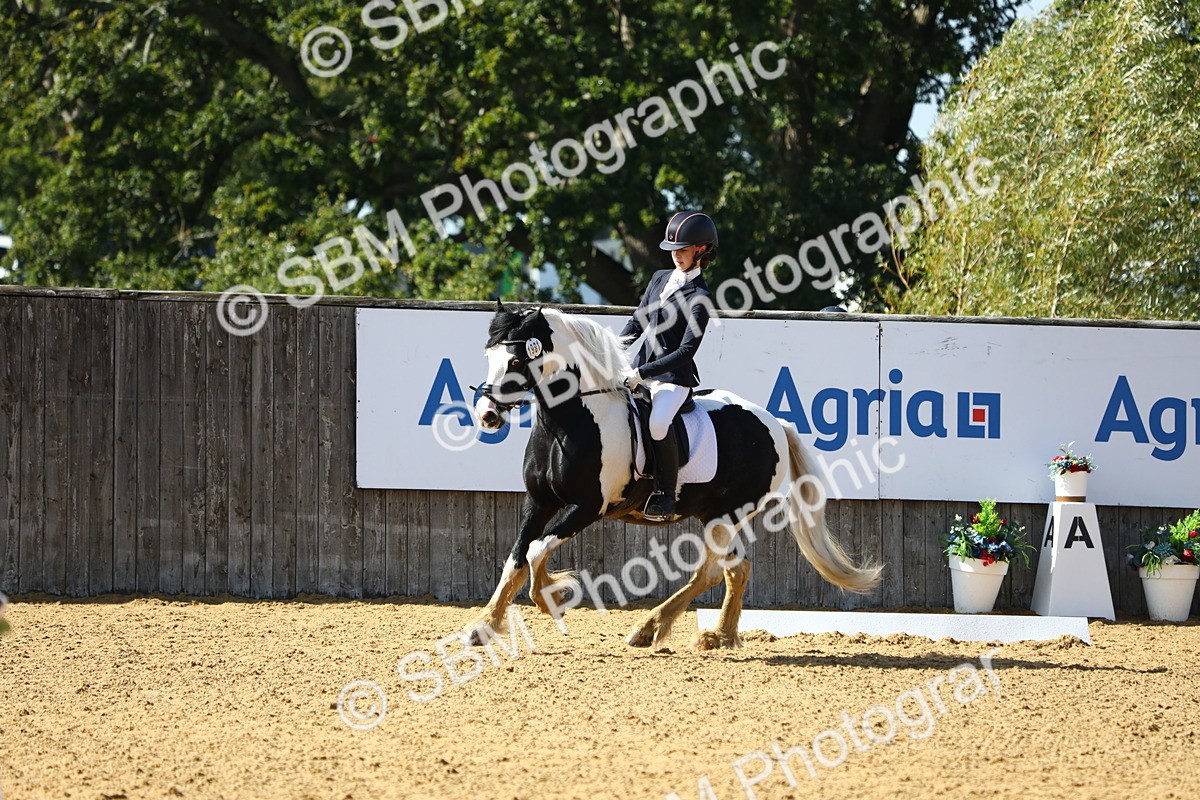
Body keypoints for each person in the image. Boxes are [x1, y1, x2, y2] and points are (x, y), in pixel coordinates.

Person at [618, 211, 717, 520]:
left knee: (658, 423)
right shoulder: (659, 278)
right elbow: (638, 320)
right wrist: (613, 351)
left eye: (683, 250)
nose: (676, 256)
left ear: (701, 250)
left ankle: (666, 493)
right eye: (673, 250)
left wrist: (642, 373)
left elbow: (687, 350)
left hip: (673, 379)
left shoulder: (701, 297)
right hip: (639, 370)